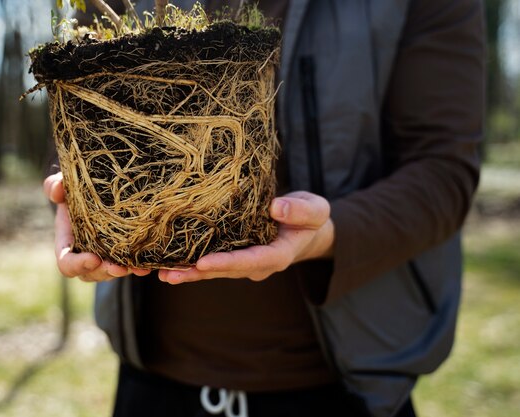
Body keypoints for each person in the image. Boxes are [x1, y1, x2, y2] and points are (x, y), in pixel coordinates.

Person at [43, 0, 485, 416]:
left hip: (337, 389)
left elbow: (443, 171)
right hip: (151, 382)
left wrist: (331, 233)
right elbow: (76, 117)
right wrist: (77, 204)